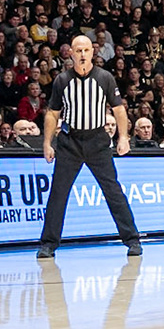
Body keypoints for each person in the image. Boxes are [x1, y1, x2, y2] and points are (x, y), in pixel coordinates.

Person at [36, 35, 139, 259]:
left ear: (92, 52)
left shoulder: (105, 78)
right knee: (58, 194)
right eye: (78, 50)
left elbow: (119, 110)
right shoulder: (62, 80)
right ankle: (48, 244)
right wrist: (47, 143)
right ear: (70, 54)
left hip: (97, 141)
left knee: (113, 191)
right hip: (70, 141)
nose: (82, 54)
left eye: (86, 50)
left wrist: (123, 138)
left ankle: (132, 240)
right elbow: (52, 113)